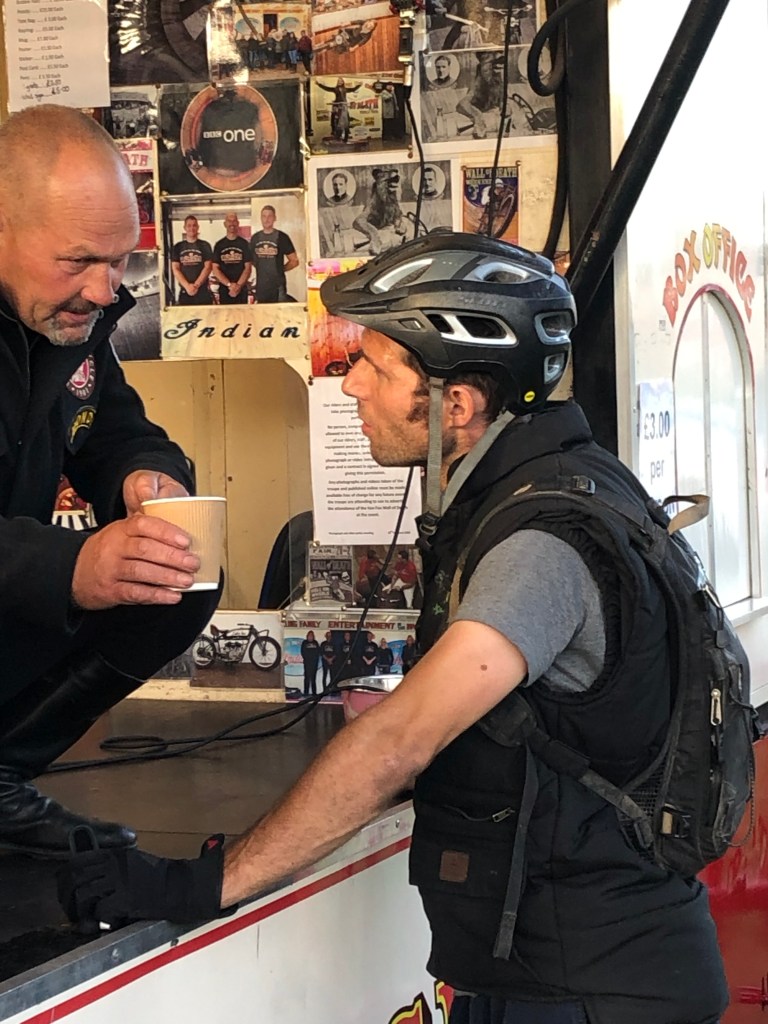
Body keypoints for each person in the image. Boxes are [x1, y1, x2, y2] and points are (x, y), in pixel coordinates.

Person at [62, 234, 727, 1024]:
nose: (350, 386)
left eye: (376, 368)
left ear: (457, 405)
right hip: (563, 975)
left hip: (591, 993)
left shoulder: (539, 546)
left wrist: (202, 884)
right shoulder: (558, 486)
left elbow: (398, 742)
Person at [0, 104, 221, 858]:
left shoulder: (66, 315)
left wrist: (148, 479)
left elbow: (117, 430)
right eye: (79, 261)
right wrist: (73, 567)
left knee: (178, 572)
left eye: (121, 260)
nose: (104, 291)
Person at [249, 205, 299, 303]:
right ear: (261, 218)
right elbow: (250, 260)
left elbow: (294, 261)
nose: (266, 219)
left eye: (270, 216)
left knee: (279, 311)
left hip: (278, 287)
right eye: (264, 216)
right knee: (263, 312)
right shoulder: (255, 238)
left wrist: (281, 269)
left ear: (274, 218)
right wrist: (262, 268)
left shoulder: (282, 237)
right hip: (261, 287)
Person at [211, 212, 252, 305]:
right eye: (229, 221)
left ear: (238, 223)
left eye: (234, 221)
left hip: (241, 290)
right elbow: (215, 269)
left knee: (242, 314)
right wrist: (229, 285)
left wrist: (238, 286)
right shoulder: (219, 245)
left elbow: (248, 268)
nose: (232, 223)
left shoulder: (244, 244)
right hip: (225, 289)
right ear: (225, 224)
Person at [171, 215, 213, 305]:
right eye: (189, 225)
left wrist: (196, 285)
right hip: (185, 292)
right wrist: (187, 286)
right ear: (184, 228)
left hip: (202, 292)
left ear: (198, 227)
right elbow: (175, 269)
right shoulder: (178, 247)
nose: (192, 228)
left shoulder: (205, 245)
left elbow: (208, 267)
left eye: (194, 225)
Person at [317, 77, 362, 144]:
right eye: (339, 81)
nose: (340, 82)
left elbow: (353, 89)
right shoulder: (335, 89)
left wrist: (359, 85)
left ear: (343, 82)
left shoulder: (345, 89)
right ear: (337, 82)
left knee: (346, 121)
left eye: (341, 81)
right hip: (338, 106)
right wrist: (319, 84)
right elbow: (327, 88)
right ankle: (336, 134)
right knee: (336, 120)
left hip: (344, 106)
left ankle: (345, 137)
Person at [300, 630, 321, 696]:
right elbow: (303, 652)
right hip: (307, 663)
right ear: (307, 636)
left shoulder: (315, 642)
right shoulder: (304, 642)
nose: (310, 637)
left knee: (313, 678)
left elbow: (318, 652)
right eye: (309, 636)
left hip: (314, 663)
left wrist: (315, 660)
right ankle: (306, 692)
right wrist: (307, 659)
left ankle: (314, 693)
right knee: (307, 678)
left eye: (311, 636)